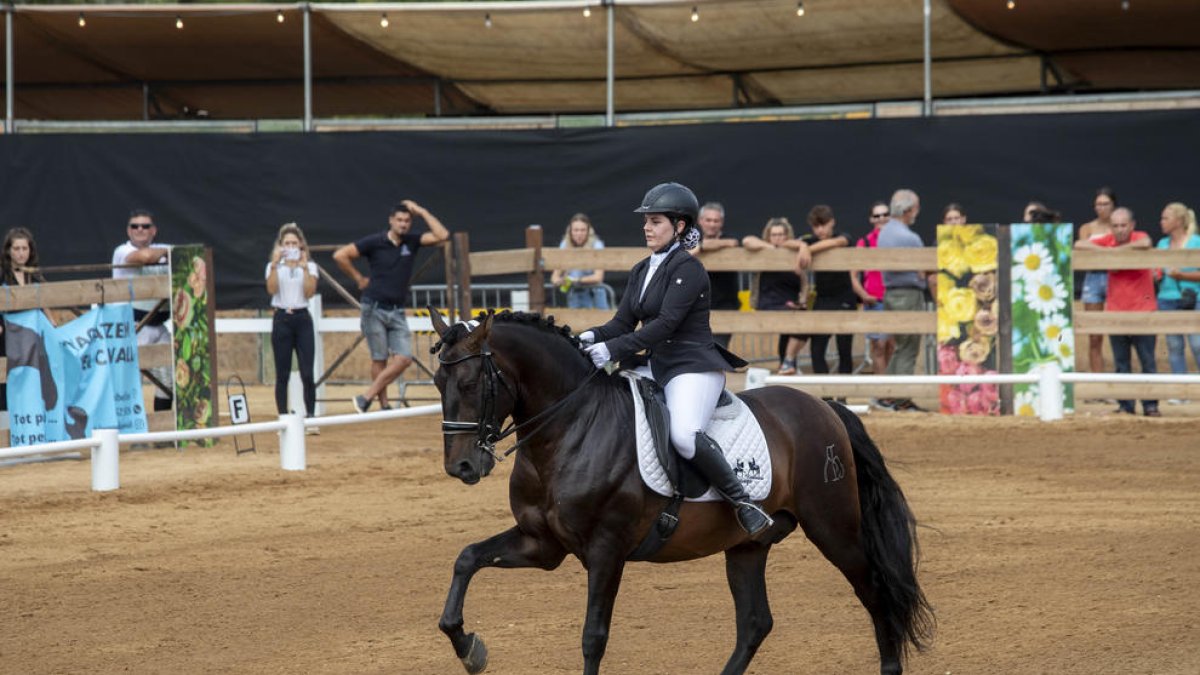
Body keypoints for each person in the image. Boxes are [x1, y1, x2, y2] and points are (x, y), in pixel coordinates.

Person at [578, 182, 769, 537]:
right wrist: (587, 336)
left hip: (692, 367)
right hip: (656, 364)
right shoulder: (641, 269)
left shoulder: (690, 269)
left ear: (679, 226)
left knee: (683, 435)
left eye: (655, 221)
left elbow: (666, 324)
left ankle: (743, 502)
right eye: (646, 221)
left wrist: (611, 350)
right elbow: (622, 323)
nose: (647, 227)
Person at [334, 200, 450, 413]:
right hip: (373, 307)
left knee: (404, 358)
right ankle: (384, 405)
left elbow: (442, 235)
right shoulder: (374, 242)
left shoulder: (412, 241)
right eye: (399, 220)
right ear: (391, 221)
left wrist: (422, 211)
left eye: (407, 220)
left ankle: (366, 397)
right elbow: (340, 255)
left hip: (397, 310)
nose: (403, 224)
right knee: (379, 358)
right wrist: (358, 278)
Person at [1076, 207, 1158, 417]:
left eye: (1123, 225)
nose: (1120, 230)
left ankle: (1150, 405)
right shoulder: (1108, 240)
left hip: (1143, 311)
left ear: (1132, 225)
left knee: (1147, 360)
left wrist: (1115, 252)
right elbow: (1079, 244)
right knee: (1122, 362)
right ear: (1111, 227)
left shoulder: (1139, 237)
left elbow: (1145, 243)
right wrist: (1107, 252)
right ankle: (1126, 405)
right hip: (1116, 311)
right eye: (1115, 226)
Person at [876, 189, 933, 412]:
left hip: (890, 292)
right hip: (908, 294)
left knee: (900, 347)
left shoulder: (885, 233)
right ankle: (901, 399)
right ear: (909, 210)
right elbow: (923, 270)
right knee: (908, 347)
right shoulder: (909, 237)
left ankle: (888, 395)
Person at [113, 209, 173, 413]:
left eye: (145, 226)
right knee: (130, 383)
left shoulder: (162, 248)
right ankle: (131, 434)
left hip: (159, 324)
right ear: (128, 231)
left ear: (154, 230)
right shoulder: (122, 250)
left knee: (168, 378)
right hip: (132, 326)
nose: (140, 229)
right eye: (135, 226)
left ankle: (162, 432)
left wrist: (168, 252)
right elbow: (144, 257)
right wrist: (168, 253)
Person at [266, 223, 320, 432]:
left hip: (302, 318)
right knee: (283, 373)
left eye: (294, 244)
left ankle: (311, 418)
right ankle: (283, 417)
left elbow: (309, 292)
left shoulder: (309, 267)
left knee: (307, 372)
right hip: (282, 318)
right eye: (287, 243)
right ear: (280, 246)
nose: (290, 247)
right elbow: (271, 289)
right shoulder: (274, 267)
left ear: (301, 246)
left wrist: (304, 266)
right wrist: (274, 264)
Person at [742, 217, 812, 375]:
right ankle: (788, 362)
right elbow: (747, 241)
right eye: (774, 234)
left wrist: (802, 245)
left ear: (787, 236)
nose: (778, 238)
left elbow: (804, 284)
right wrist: (772, 248)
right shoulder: (764, 251)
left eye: (781, 234)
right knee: (799, 320)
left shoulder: (793, 253)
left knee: (803, 321)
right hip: (768, 304)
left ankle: (786, 363)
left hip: (791, 305)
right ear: (769, 236)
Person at [800, 205, 855, 376]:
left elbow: (839, 242)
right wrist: (802, 245)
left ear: (832, 222)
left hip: (844, 298)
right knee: (817, 349)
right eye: (816, 226)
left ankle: (843, 396)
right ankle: (824, 398)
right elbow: (790, 242)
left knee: (844, 350)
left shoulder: (843, 236)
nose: (820, 230)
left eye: (823, 225)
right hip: (823, 299)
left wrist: (808, 249)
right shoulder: (809, 240)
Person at [1155, 202, 1200, 403]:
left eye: (1166, 218)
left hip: (1194, 297)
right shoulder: (1162, 245)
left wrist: (1181, 274)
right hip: (1167, 298)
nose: (1161, 222)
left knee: (1197, 344)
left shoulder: (1196, 242)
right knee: (1174, 346)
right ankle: (1181, 392)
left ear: (1178, 221)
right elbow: (1156, 270)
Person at [1, 227, 48, 412]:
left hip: (32, 337)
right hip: (7, 338)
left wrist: (51, 325)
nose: (21, 253)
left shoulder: (34, 275)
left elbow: (46, 301)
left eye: (24, 249)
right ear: (8, 251)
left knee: (34, 377)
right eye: (16, 249)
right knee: (7, 379)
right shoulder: (2, 274)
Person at [1078, 187, 1118, 377]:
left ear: (1113, 205)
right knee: (1094, 335)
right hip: (1093, 277)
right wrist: (1107, 250)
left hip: (1116, 277)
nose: (1101, 208)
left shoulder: (1119, 226)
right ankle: (1098, 381)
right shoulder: (1087, 228)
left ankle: (1120, 378)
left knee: (1120, 330)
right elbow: (1080, 245)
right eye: (1098, 204)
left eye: (1105, 204)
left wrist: (1097, 248)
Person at [851, 201, 895, 376]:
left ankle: (891, 391)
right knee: (878, 346)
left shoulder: (895, 241)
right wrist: (863, 295)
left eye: (885, 214)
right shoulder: (865, 242)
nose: (882, 218)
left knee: (891, 346)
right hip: (874, 301)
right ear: (871, 219)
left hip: (894, 300)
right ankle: (882, 392)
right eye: (877, 215)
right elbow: (853, 275)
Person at [694, 202, 740, 349]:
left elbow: (733, 243)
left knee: (718, 348)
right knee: (695, 349)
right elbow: (682, 255)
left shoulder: (729, 237)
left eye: (716, 221)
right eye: (708, 220)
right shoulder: (691, 240)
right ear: (700, 221)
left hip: (726, 303)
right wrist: (702, 246)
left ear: (722, 223)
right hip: (695, 304)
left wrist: (703, 247)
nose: (712, 224)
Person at [550, 213, 609, 309]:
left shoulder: (596, 245)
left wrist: (575, 280)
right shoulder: (565, 245)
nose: (579, 234)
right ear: (570, 231)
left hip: (594, 293)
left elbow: (598, 277)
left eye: (583, 230)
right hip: (575, 294)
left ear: (588, 231)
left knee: (600, 322)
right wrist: (560, 281)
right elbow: (554, 276)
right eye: (576, 230)